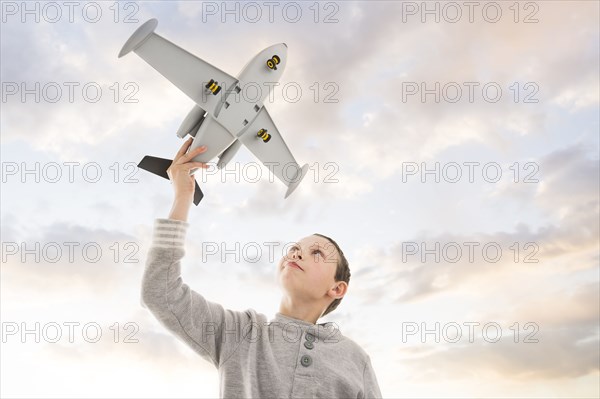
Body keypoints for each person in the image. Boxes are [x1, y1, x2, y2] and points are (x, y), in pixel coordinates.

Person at [141, 137, 383, 398]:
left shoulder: (355, 360)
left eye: (316, 253)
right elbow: (159, 292)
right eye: (294, 249)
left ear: (337, 288)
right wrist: (183, 196)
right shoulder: (240, 333)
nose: (297, 253)